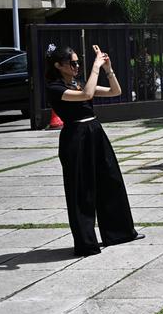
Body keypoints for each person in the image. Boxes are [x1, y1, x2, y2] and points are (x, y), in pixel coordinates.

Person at [44, 43, 143, 256]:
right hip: (76, 138)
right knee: (82, 190)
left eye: (78, 62)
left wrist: (108, 69)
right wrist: (95, 66)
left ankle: (120, 232)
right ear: (58, 65)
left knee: (111, 180)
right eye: (73, 63)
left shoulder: (79, 84)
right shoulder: (55, 88)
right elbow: (88, 95)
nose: (77, 66)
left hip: (95, 133)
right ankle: (86, 243)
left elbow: (116, 91)